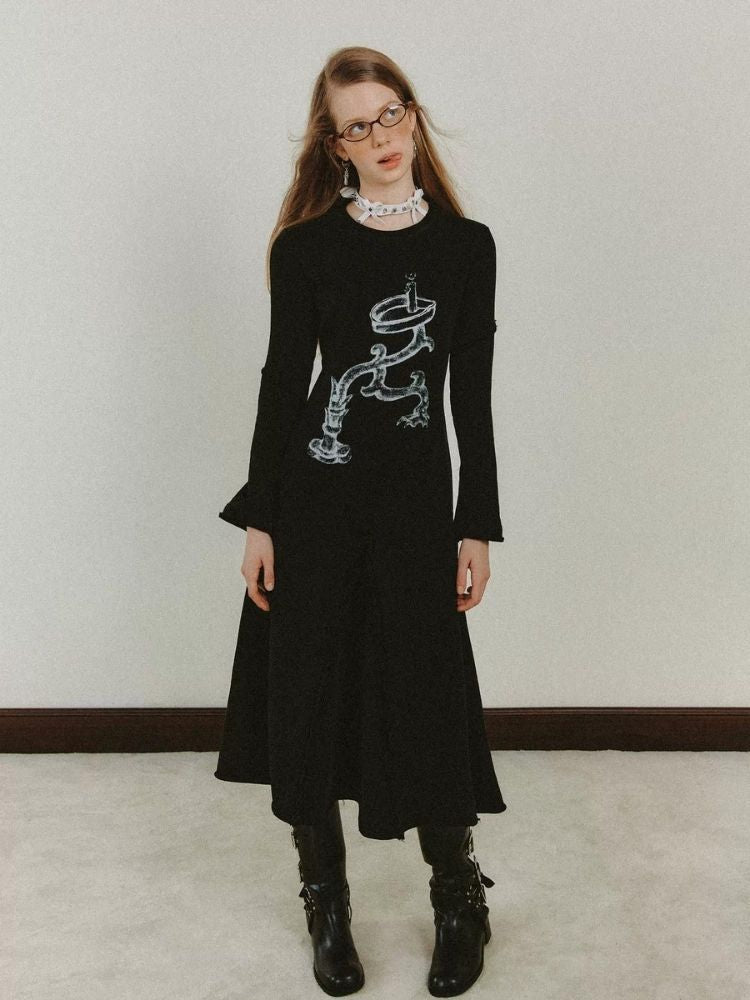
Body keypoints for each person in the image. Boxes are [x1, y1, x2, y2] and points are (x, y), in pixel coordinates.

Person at [214, 45, 508, 998]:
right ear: (334, 146)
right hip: (317, 500)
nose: (380, 136)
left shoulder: (466, 248)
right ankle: (326, 901)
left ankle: (458, 895)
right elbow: (281, 383)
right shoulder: (305, 249)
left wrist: (475, 523)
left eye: (390, 113)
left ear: (411, 115)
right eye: (357, 125)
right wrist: (261, 518)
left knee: (425, 690)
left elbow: (471, 398)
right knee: (309, 692)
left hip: (417, 507)